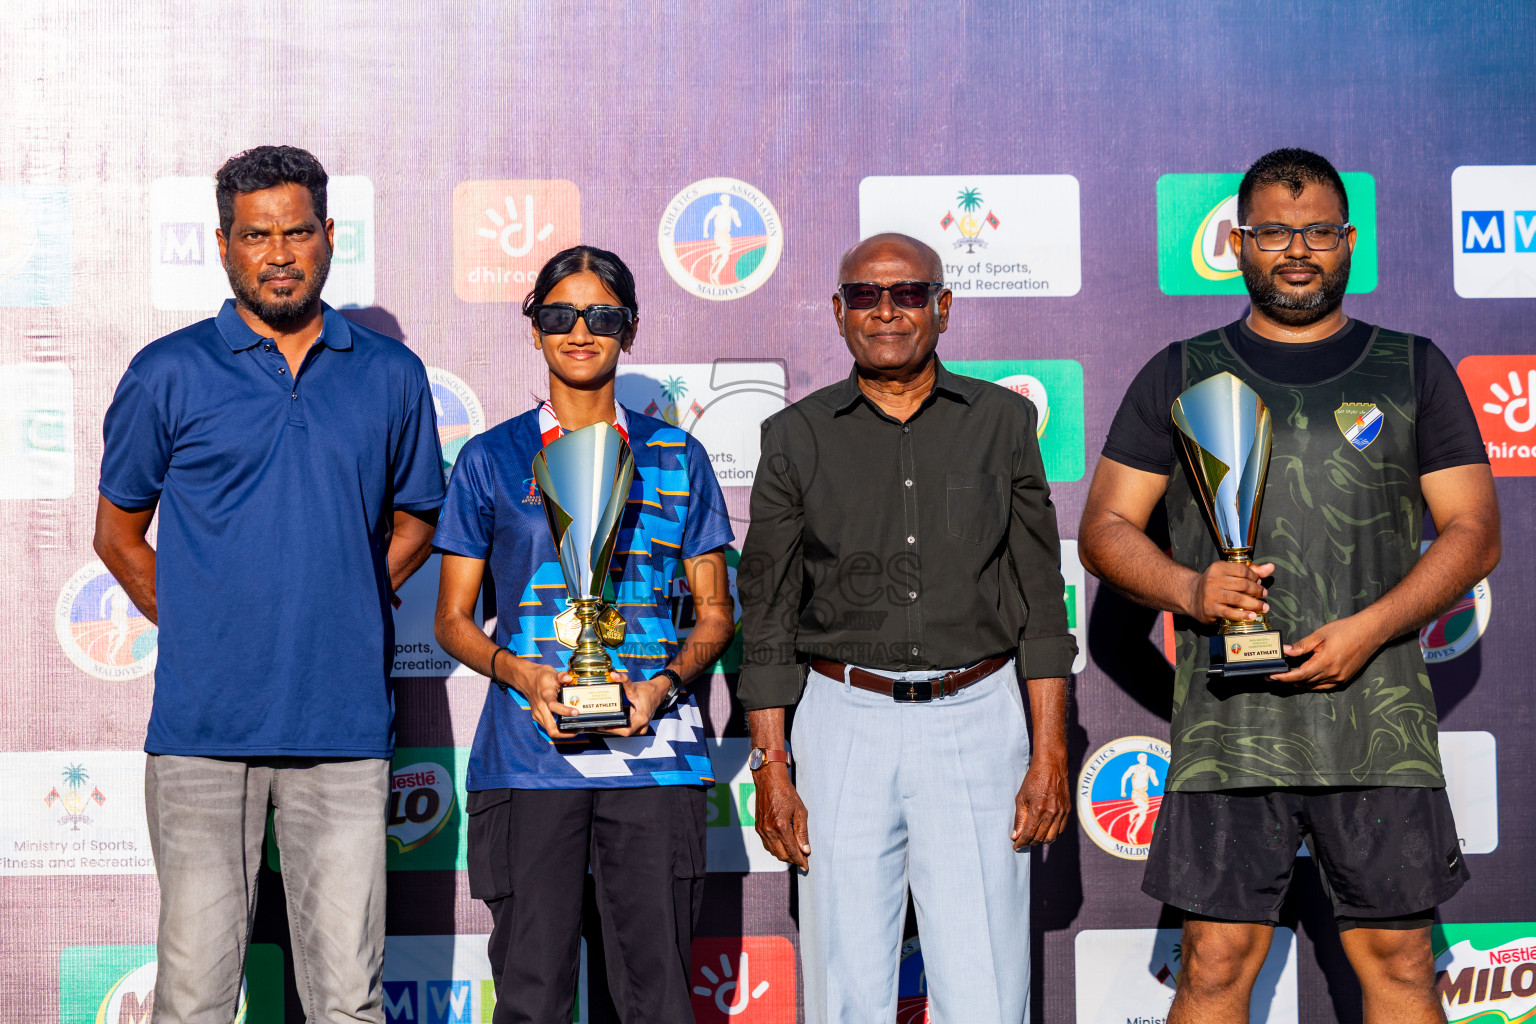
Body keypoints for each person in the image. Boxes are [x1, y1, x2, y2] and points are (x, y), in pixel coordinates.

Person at [1079, 148, 1500, 1024]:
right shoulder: (1180, 371)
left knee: (1402, 966)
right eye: (1273, 231)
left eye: (1315, 232)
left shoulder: (1412, 366)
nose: (1295, 250)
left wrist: (1368, 629)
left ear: (1349, 242)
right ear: (1237, 242)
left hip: (1378, 721)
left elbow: (1474, 533)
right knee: (1213, 966)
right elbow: (1105, 531)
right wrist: (1192, 592)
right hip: (1231, 728)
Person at [93, 145, 445, 1024]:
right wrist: (210, 621)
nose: (278, 254)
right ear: (222, 245)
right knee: (194, 999)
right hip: (202, 735)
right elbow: (117, 534)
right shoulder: (167, 371)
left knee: (347, 1002)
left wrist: (347, 601)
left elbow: (417, 522)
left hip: (345, 730)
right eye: (257, 235)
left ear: (330, 236)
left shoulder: (391, 374)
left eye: (296, 232)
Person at [737, 232, 1076, 1024]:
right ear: (838, 311)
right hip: (841, 719)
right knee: (844, 983)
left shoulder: (1003, 421)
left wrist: (1050, 749)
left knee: (986, 988)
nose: (886, 310)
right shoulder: (795, 436)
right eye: (865, 295)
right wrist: (771, 764)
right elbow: (769, 613)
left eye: (909, 293)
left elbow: (1039, 599)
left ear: (944, 307)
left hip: (980, 715)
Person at [433, 244, 736, 1024]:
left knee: (658, 1000)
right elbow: (453, 623)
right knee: (531, 1000)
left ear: (629, 332)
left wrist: (661, 687)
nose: (580, 331)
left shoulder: (677, 456)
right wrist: (525, 676)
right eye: (560, 314)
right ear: (533, 326)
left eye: (602, 316)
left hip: (656, 761)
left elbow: (716, 614)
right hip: (530, 764)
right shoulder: (491, 459)